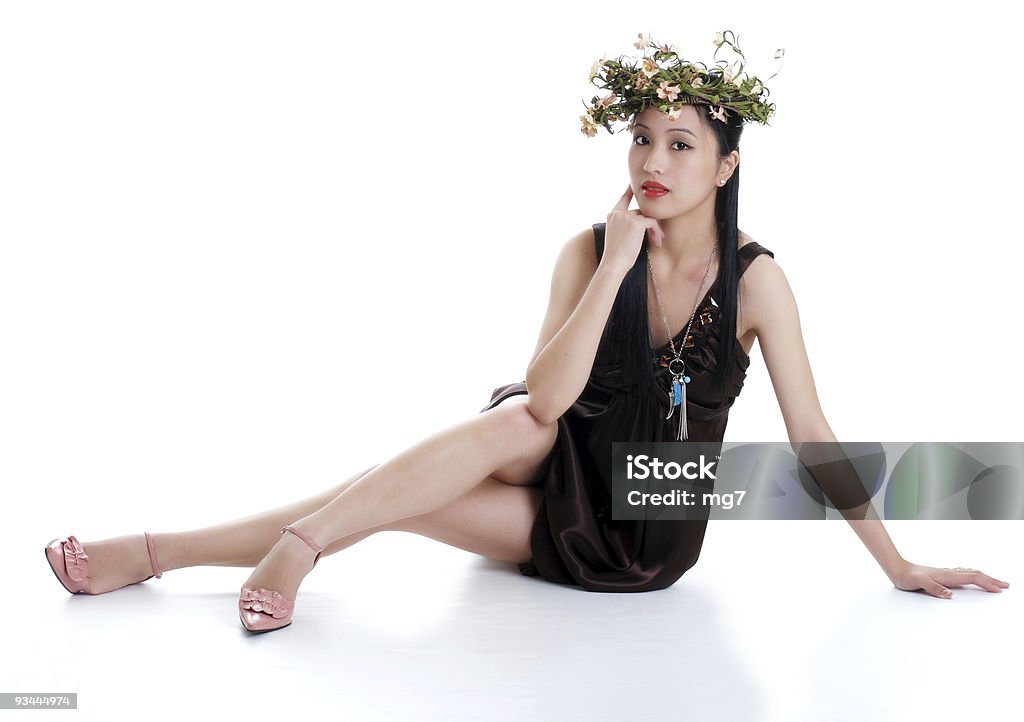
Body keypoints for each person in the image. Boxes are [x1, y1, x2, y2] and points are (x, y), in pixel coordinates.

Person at [44, 30, 1009, 633]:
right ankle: (240, 551)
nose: (652, 160)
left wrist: (898, 561)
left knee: (388, 493)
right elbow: (545, 399)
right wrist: (619, 263)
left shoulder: (759, 283)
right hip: (544, 458)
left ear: (726, 166)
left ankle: (185, 549)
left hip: (635, 531)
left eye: (681, 144)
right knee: (512, 425)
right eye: (640, 138)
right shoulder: (588, 249)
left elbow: (812, 436)